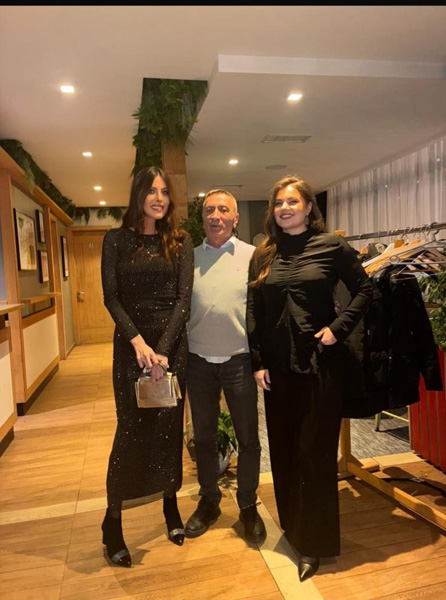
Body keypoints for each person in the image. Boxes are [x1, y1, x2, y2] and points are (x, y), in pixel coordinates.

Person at [246, 175, 372, 581]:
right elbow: (254, 309)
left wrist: (338, 328)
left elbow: (365, 289)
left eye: (293, 202)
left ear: (308, 208)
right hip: (277, 371)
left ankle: (315, 545)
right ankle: (294, 529)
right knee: (283, 451)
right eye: (279, 203)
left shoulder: (331, 246)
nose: (285, 208)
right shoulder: (264, 253)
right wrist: (257, 361)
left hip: (320, 366)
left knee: (315, 456)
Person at [101, 166, 194, 567]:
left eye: (165, 192)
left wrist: (163, 351)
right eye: (152, 190)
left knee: (168, 432)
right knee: (130, 434)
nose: (159, 198)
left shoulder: (181, 241)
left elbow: (183, 300)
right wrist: (138, 342)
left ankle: (171, 507)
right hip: (130, 350)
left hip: (171, 350)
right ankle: (112, 522)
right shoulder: (116, 240)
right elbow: (111, 297)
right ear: (138, 194)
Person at [185, 189, 266, 544]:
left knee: (248, 439)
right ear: (202, 217)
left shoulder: (253, 257)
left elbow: (263, 308)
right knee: (203, 438)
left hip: (240, 361)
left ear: (235, 217)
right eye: (209, 210)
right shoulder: (188, 259)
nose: (215, 216)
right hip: (197, 361)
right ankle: (209, 501)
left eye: (223, 210)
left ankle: (247, 505)